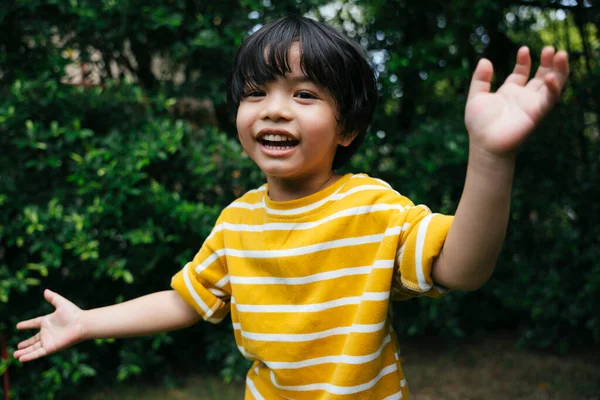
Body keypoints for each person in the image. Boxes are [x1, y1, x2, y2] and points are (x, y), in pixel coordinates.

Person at [14, 15, 569, 400]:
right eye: (256, 93)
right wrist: (88, 322)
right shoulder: (236, 222)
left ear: (347, 127)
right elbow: (185, 300)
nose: (274, 110)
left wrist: (490, 157)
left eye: (304, 95)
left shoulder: (370, 205)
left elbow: (463, 268)